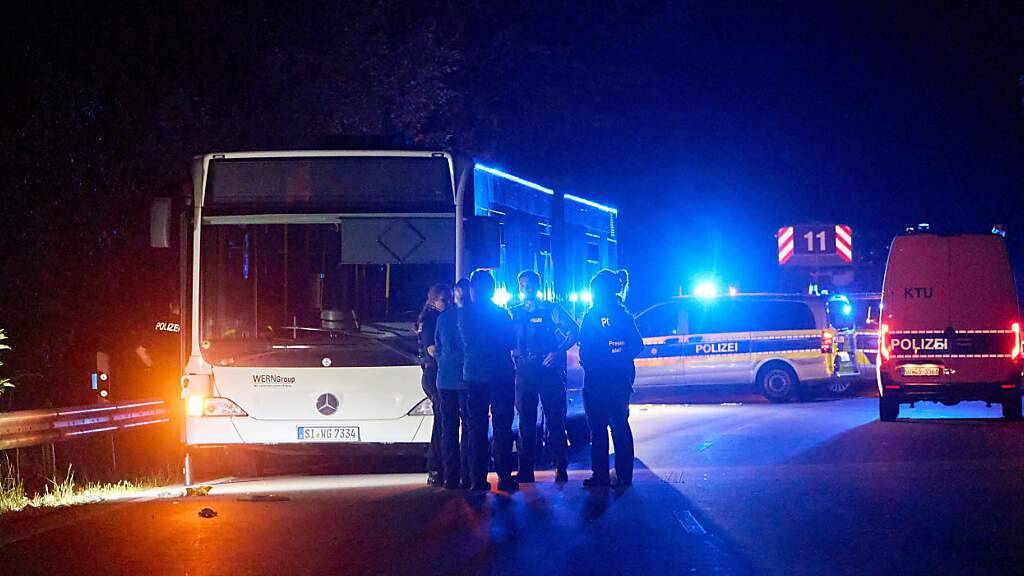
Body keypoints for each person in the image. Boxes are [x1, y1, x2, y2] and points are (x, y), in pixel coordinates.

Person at [510, 270, 578, 483]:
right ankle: (525, 469)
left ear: (538, 287)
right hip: (525, 371)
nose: (527, 289)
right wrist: (511, 352)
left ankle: (560, 466)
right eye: (523, 285)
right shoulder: (513, 312)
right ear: (519, 287)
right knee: (525, 422)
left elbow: (573, 330)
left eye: (530, 285)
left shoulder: (552, 310)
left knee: (555, 420)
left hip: (548, 370)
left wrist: (558, 351)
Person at [578, 269, 644, 488]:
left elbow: (584, 348)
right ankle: (624, 475)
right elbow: (637, 345)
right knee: (619, 424)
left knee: (598, 428)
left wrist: (599, 360)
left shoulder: (592, 316)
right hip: (619, 379)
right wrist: (619, 356)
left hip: (598, 380)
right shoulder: (624, 315)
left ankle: (601, 476)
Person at [461, 269, 518, 492]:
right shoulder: (502, 314)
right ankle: (504, 477)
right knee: (502, 427)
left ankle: (477, 478)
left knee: (476, 427)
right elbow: (511, 342)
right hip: (500, 374)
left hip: (473, 376)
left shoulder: (463, 315)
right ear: (493, 290)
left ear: (472, 289)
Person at [434, 278, 472, 489]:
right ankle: (467, 474)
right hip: (466, 379)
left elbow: (437, 347)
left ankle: (450, 476)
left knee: (448, 428)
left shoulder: (443, 317)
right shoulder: (471, 317)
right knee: (468, 427)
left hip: (444, 379)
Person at [417, 284, 452, 487]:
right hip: (434, 374)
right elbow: (432, 350)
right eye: (443, 300)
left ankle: (438, 467)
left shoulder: (432, 318)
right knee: (441, 422)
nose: (447, 304)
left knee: (442, 421)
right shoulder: (431, 320)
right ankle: (436, 467)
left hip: (434, 374)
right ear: (433, 301)